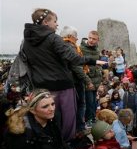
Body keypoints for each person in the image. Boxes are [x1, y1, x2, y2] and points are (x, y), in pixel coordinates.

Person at [22, 8, 106, 141]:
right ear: (45, 22)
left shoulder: (26, 41)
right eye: (55, 21)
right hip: (61, 85)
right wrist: (94, 60)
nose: (57, 25)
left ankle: (50, 142)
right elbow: (73, 58)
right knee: (67, 120)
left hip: (40, 86)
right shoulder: (53, 38)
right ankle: (66, 145)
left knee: (46, 117)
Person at [5, 89, 90, 149]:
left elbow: (58, 142)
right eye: (45, 106)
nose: (52, 109)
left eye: (53, 104)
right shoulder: (21, 134)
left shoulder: (50, 120)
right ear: (33, 110)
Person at [60, 26, 91, 133]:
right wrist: (87, 80)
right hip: (75, 80)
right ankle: (79, 128)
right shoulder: (70, 47)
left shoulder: (61, 45)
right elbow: (76, 66)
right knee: (80, 104)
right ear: (69, 36)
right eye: (75, 36)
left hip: (67, 79)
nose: (77, 39)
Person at [81, 30, 103, 126]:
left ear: (98, 40)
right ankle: (88, 120)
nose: (91, 40)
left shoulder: (97, 49)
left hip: (96, 79)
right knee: (88, 102)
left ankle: (93, 118)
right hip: (87, 79)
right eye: (90, 38)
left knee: (94, 101)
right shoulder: (81, 48)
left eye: (94, 39)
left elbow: (98, 64)